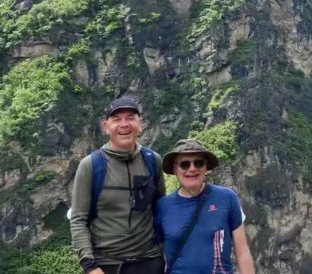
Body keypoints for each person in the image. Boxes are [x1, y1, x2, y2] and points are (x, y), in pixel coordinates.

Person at [70, 97, 166, 274]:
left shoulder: (152, 161)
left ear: (141, 124)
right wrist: (90, 266)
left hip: (150, 261)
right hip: (107, 265)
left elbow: (161, 209)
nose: (124, 124)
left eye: (130, 117)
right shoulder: (91, 165)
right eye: (116, 119)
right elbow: (78, 219)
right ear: (106, 126)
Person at [155, 139, 254, 274]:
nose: (192, 168)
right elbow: (158, 256)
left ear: (206, 167)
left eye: (198, 163)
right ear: (175, 168)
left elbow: (242, 252)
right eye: (184, 164)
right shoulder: (163, 206)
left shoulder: (227, 198)